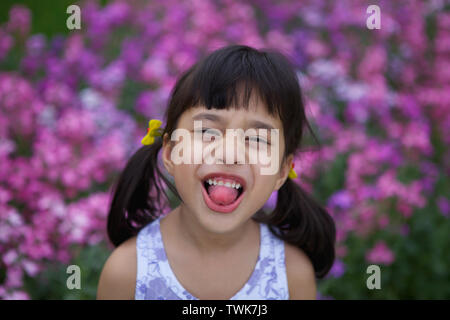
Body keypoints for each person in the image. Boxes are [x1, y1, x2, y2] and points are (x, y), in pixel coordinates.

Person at [97, 44, 336, 300]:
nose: (229, 154)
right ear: (169, 152)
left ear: (281, 171)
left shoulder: (292, 275)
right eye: (207, 131)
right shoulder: (127, 274)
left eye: (257, 139)